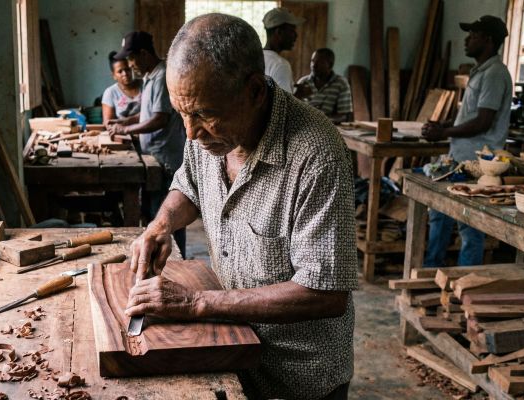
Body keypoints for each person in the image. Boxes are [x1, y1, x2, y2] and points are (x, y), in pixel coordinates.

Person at [124, 14, 357, 400]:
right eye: (182, 113)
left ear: (254, 91)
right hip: (235, 348)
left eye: (202, 115)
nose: (190, 132)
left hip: (299, 376)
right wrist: (162, 223)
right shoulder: (206, 131)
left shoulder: (317, 155)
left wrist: (196, 302)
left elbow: (326, 293)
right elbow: (189, 184)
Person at [421, 15, 512, 267]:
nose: (467, 40)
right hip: (460, 159)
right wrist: (444, 125)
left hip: (477, 163)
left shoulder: (494, 74)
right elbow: (469, 115)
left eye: (473, 35)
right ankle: (431, 272)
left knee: (469, 226)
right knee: (439, 215)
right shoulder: (479, 72)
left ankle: (464, 283)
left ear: (488, 40)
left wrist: (443, 134)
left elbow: (483, 122)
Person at [108, 31, 186, 257]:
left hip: (165, 159)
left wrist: (125, 129)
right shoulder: (150, 77)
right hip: (153, 157)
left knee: (169, 217)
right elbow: (146, 114)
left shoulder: (162, 77)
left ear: (143, 54)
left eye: (131, 59)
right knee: (154, 213)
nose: (130, 66)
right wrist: (124, 121)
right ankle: (162, 260)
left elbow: (160, 119)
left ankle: (176, 262)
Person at [294, 48, 353, 123]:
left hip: (330, 128)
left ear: (330, 65)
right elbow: (293, 112)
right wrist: (297, 95)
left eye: (319, 62)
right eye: (312, 61)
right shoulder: (303, 82)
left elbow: (344, 116)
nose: (314, 65)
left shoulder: (340, 83)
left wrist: (320, 121)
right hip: (305, 127)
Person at [261, 7, 304, 93]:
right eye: (292, 30)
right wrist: (300, 94)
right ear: (279, 32)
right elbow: (283, 105)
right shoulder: (280, 65)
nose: (296, 36)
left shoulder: (255, 57)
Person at [101, 51, 141, 125]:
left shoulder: (144, 84)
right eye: (120, 71)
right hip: (124, 135)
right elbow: (108, 123)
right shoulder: (110, 93)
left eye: (127, 69)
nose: (125, 74)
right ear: (113, 75)